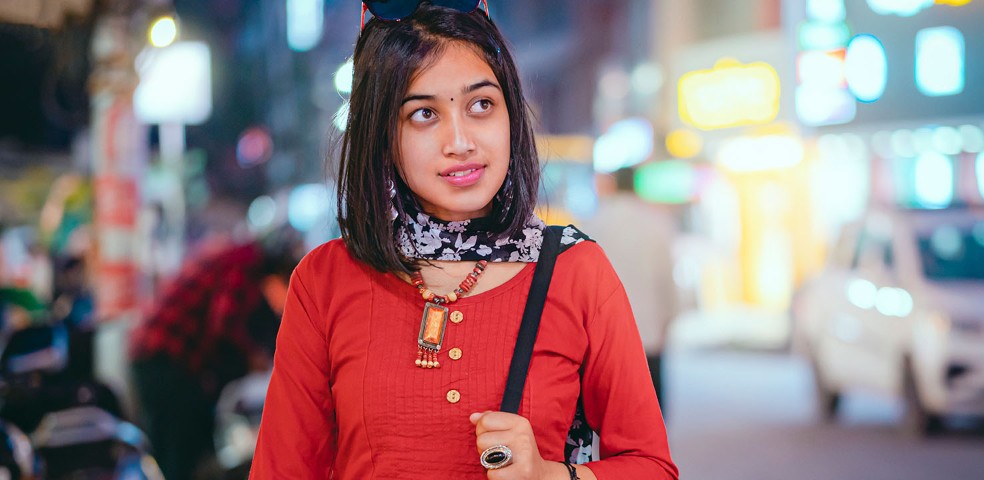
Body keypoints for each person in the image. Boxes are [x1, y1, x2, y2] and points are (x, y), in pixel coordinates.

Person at [250, 2, 677, 479]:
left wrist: (553, 475)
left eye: (481, 105)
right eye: (424, 114)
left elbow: (653, 467)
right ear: (382, 134)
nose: (460, 141)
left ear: (510, 114)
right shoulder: (325, 280)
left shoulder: (575, 270)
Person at [129, 229, 301, 480]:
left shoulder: (238, 259)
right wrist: (252, 357)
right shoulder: (242, 265)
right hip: (164, 358)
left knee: (187, 450)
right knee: (183, 456)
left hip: (158, 356)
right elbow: (225, 323)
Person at [581, 168, 679, 411]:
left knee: (606, 416)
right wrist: (668, 321)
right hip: (649, 334)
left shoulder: (594, 224)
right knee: (650, 414)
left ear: (613, 185)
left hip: (604, 338)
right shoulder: (656, 224)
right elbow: (666, 278)